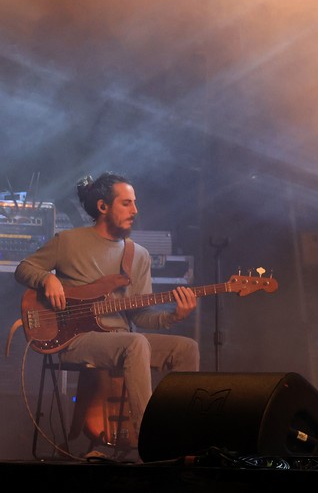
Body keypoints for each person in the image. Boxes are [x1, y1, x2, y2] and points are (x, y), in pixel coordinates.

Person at [14, 172, 200, 451]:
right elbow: (24, 268)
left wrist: (176, 315)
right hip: (76, 338)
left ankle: (182, 438)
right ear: (103, 207)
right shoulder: (68, 241)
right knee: (135, 343)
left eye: (135, 203)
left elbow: (141, 315)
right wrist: (47, 278)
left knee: (186, 349)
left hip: (121, 340)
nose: (135, 210)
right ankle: (151, 440)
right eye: (126, 203)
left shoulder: (138, 255)